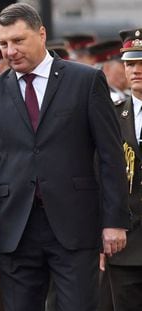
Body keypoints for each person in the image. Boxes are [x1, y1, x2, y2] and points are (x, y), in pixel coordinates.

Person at [0, 3, 130, 311]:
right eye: (4, 43)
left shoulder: (85, 81)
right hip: (15, 229)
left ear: (41, 34)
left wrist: (114, 221)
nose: (10, 51)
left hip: (75, 225)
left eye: (18, 41)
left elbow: (110, 155)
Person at [100, 27, 142, 311]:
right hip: (125, 246)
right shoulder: (111, 117)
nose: (135, 70)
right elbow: (97, 177)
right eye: (129, 63)